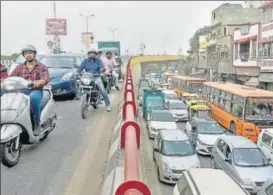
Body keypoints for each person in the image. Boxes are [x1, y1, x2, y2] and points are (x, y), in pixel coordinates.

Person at [10, 45, 49, 135]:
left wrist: (40, 82)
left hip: (35, 90)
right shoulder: (19, 67)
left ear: (34, 54)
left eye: (30, 53)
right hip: (20, 91)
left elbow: (45, 79)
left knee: (33, 98)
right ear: (24, 55)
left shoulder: (42, 67)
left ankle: (37, 123)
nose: (28, 55)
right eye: (26, 53)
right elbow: (11, 78)